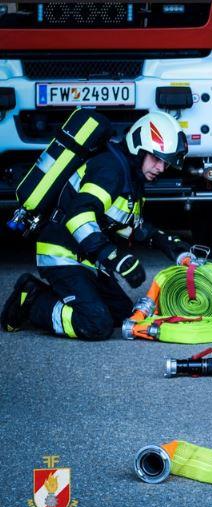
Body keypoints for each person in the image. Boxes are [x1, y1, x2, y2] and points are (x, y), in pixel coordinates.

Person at [1, 111, 191, 340]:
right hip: (61, 254)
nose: (161, 168)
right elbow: (79, 217)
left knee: (121, 313)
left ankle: (65, 296)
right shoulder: (110, 170)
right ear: (138, 148)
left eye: (165, 162)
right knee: (96, 324)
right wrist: (114, 257)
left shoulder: (130, 176)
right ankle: (32, 299)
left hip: (86, 258)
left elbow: (124, 224)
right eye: (156, 159)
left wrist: (165, 241)